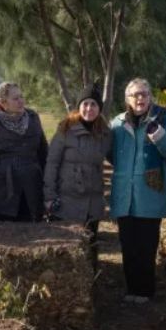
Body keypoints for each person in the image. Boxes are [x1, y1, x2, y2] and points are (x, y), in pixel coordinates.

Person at [110, 78, 166, 303]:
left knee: (146, 245)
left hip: (149, 194)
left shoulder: (162, 118)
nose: (139, 98)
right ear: (127, 99)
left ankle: (145, 291)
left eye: (143, 94)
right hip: (124, 194)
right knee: (128, 244)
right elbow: (111, 154)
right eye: (134, 95)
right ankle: (131, 289)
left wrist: (159, 136)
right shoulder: (117, 123)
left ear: (150, 96)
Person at [43, 83, 112, 241]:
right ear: (79, 106)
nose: (89, 108)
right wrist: (49, 196)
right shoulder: (65, 130)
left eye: (93, 104)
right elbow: (52, 164)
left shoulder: (106, 134)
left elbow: (115, 158)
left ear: (99, 108)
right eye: (85, 104)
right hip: (66, 203)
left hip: (93, 204)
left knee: (90, 251)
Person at [0, 82, 48, 221]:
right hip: (2, 188)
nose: (21, 101)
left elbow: (43, 153)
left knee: (33, 228)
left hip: (32, 185)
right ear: (3, 102)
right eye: (15, 98)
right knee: (6, 232)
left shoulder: (32, 118)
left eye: (21, 97)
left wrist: (49, 185)